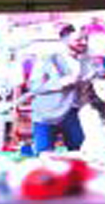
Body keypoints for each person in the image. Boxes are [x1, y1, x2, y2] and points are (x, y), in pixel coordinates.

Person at [28, 24, 87, 155]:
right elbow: (34, 87)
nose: (84, 42)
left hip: (74, 114)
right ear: (64, 40)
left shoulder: (88, 60)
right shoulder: (47, 59)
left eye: (86, 39)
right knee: (44, 156)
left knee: (79, 154)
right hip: (47, 115)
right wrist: (60, 82)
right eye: (78, 40)